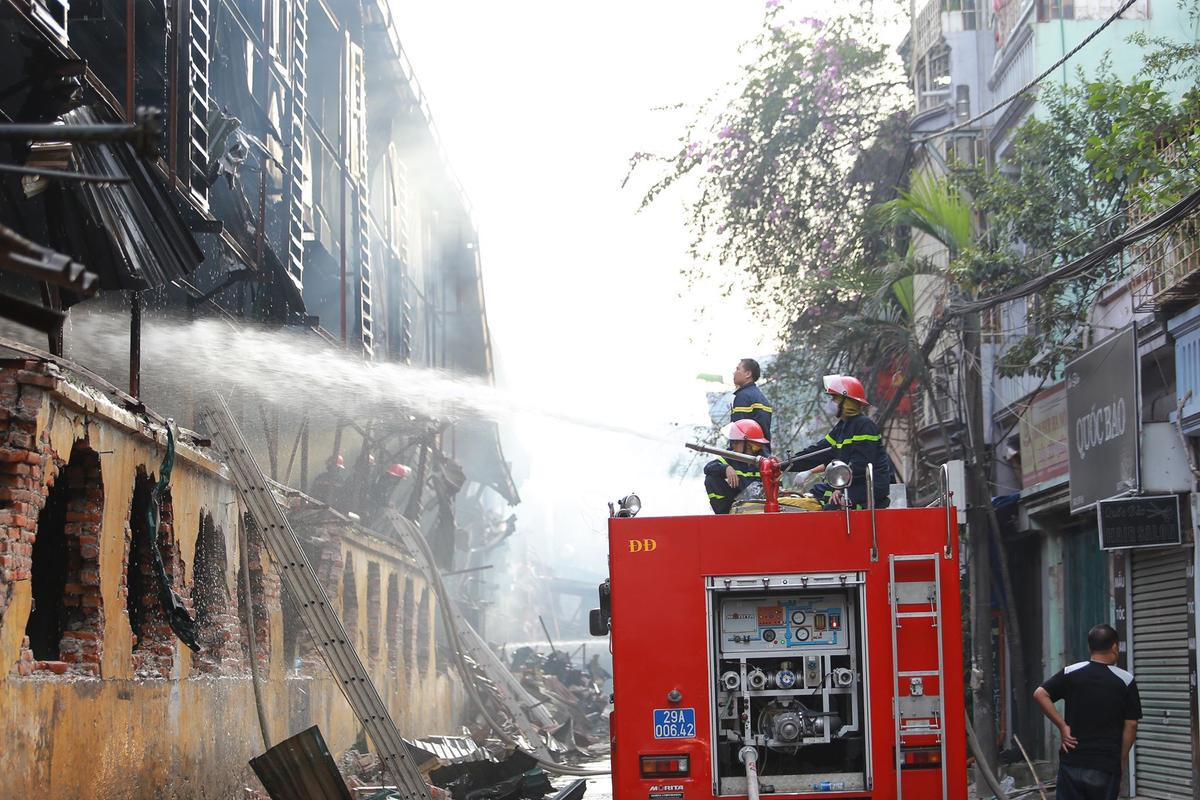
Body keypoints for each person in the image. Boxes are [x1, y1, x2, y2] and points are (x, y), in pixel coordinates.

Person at [1034, 624, 1141, 800]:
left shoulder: (1071, 672)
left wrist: (1062, 726)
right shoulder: (1126, 680)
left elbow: (1040, 694)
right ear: (1115, 647)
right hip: (1105, 764)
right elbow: (1132, 724)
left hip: (1072, 762)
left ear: (1090, 647)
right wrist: (1120, 760)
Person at [789, 375, 890, 509]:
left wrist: (840, 488)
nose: (831, 402)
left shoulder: (864, 425)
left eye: (834, 398)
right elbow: (818, 452)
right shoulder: (842, 427)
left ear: (846, 401)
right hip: (849, 482)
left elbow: (860, 465)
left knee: (832, 507)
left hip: (869, 486)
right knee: (816, 493)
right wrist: (785, 464)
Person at [704, 419, 768, 514]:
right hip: (735, 507)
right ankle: (725, 515)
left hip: (761, 510)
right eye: (732, 441)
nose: (733, 445)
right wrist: (726, 468)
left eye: (737, 442)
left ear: (750, 444)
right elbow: (708, 467)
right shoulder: (730, 457)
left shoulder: (766, 463)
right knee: (711, 478)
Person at [731, 358, 773, 442]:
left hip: (746, 452)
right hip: (762, 453)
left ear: (748, 374)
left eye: (738, 369)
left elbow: (738, 433)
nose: (734, 373)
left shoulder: (743, 396)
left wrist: (731, 452)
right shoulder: (761, 398)